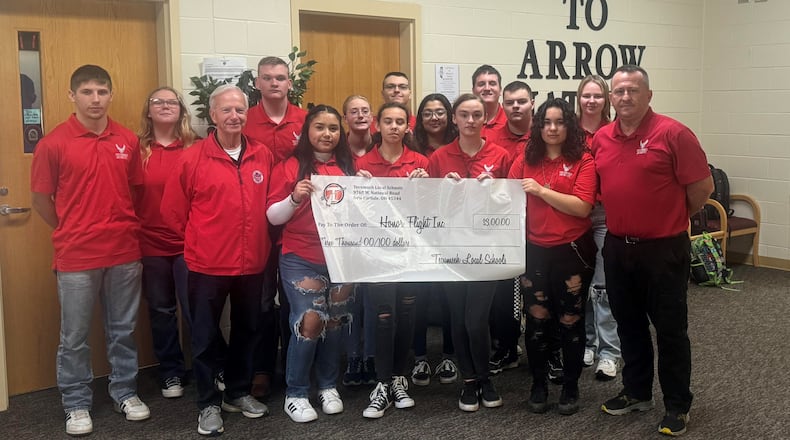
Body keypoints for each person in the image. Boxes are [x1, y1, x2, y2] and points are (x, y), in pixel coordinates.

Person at [30, 64, 150, 436]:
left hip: (124, 253)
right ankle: (76, 403)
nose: (95, 99)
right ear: (72, 96)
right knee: (75, 336)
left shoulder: (127, 140)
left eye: (101, 92)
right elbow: (40, 200)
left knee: (122, 330)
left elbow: (135, 190)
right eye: (87, 92)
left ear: (110, 95)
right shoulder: (53, 143)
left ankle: (125, 392)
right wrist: (71, 228)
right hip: (77, 256)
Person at [593, 65, 713, 437]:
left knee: (670, 330)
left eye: (632, 90)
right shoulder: (601, 138)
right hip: (617, 246)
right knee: (628, 325)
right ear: (611, 98)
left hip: (663, 249)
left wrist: (669, 218)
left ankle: (677, 405)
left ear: (648, 95)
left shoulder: (673, 133)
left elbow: (702, 189)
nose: (625, 97)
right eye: (619, 92)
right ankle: (637, 391)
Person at [161, 84, 273, 436]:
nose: (234, 116)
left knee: (247, 331)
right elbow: (173, 213)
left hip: (252, 263)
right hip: (206, 265)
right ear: (212, 115)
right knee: (206, 337)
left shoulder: (263, 155)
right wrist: (202, 242)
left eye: (239, 110)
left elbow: (270, 207)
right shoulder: (192, 158)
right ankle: (208, 403)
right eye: (226, 110)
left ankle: (237, 393)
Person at [266, 105, 356, 423]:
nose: (326, 134)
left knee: (336, 322)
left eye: (333, 128)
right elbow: (272, 216)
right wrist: (294, 197)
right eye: (319, 127)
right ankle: (296, 392)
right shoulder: (290, 165)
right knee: (310, 320)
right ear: (307, 130)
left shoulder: (347, 167)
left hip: (340, 258)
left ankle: (328, 385)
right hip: (300, 257)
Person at [508, 98, 597, 416]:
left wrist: (542, 191)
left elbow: (582, 206)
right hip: (533, 251)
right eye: (546, 122)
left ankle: (570, 386)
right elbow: (506, 197)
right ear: (539, 125)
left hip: (571, 251)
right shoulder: (524, 159)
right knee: (536, 321)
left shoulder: (584, 160)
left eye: (559, 122)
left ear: (569, 126)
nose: (553, 128)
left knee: (570, 321)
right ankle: (539, 384)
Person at [427, 93, 509, 413]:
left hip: (486, 249)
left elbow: (513, 205)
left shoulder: (500, 156)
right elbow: (429, 208)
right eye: (464, 115)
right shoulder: (439, 157)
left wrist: (496, 193)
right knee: (458, 319)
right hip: (451, 248)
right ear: (455, 120)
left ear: (485, 119)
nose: (471, 120)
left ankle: (486, 377)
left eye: (477, 115)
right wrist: (444, 193)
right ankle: (470, 382)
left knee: (476, 320)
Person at [355, 103, 429, 418]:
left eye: (400, 122)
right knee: (384, 316)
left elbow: (434, 212)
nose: (394, 127)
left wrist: (426, 185)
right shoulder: (362, 163)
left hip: (411, 252)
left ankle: (399, 378)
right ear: (378, 124)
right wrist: (358, 186)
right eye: (388, 121)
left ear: (407, 127)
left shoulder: (421, 163)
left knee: (408, 313)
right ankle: (382, 383)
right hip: (378, 254)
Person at [244, 55, 308, 399]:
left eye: (280, 77)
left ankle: (294, 364)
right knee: (262, 302)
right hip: (257, 224)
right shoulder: (246, 119)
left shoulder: (304, 119)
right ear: (257, 83)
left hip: (298, 223)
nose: (274, 83)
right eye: (267, 78)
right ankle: (262, 369)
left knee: (296, 299)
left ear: (289, 83)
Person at [136, 86, 198, 399]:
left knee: (195, 310)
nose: (164, 106)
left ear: (180, 110)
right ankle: (171, 372)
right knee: (161, 311)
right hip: (150, 244)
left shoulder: (195, 148)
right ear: (148, 111)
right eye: (157, 101)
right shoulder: (137, 150)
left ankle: (207, 369)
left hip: (190, 244)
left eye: (171, 102)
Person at [410, 93, 459, 387]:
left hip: (452, 233)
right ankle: (419, 358)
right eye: (427, 113)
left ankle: (449, 355)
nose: (435, 118)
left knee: (449, 297)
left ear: (449, 115)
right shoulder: (411, 149)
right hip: (418, 233)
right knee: (420, 296)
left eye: (440, 112)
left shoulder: (457, 146)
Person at [486, 80, 534, 377]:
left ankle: (544, 352)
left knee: (539, 293)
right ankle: (506, 347)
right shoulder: (490, 138)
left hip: (539, 226)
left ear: (532, 103)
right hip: (501, 227)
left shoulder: (543, 134)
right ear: (503, 106)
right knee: (504, 294)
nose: (516, 106)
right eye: (511, 102)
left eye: (522, 101)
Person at [575, 75, 620, 381]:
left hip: (604, 214)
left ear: (606, 100)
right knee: (580, 283)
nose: (591, 101)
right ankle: (587, 342)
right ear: (578, 98)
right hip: (573, 214)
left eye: (597, 96)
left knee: (603, 287)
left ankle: (610, 352)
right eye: (586, 96)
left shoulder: (615, 131)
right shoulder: (569, 130)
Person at [471, 64, 507, 137]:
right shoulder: (465, 121)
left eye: (492, 84)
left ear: (500, 90)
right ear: (473, 91)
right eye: (481, 84)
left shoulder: (510, 120)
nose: (487, 88)